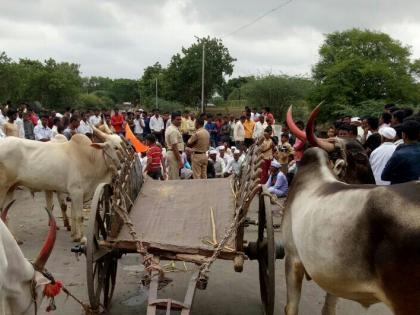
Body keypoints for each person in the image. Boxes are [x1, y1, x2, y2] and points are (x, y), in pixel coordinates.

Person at [381, 120, 420, 184]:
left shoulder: (399, 154)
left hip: (403, 191)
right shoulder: (400, 151)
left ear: (403, 135)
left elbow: (384, 176)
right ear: (419, 135)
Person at [165, 111, 184, 180]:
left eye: (180, 119)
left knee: (172, 175)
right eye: (177, 119)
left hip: (173, 153)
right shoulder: (173, 130)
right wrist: (179, 160)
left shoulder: (172, 128)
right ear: (172, 120)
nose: (180, 121)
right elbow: (174, 146)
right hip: (174, 154)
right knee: (174, 177)